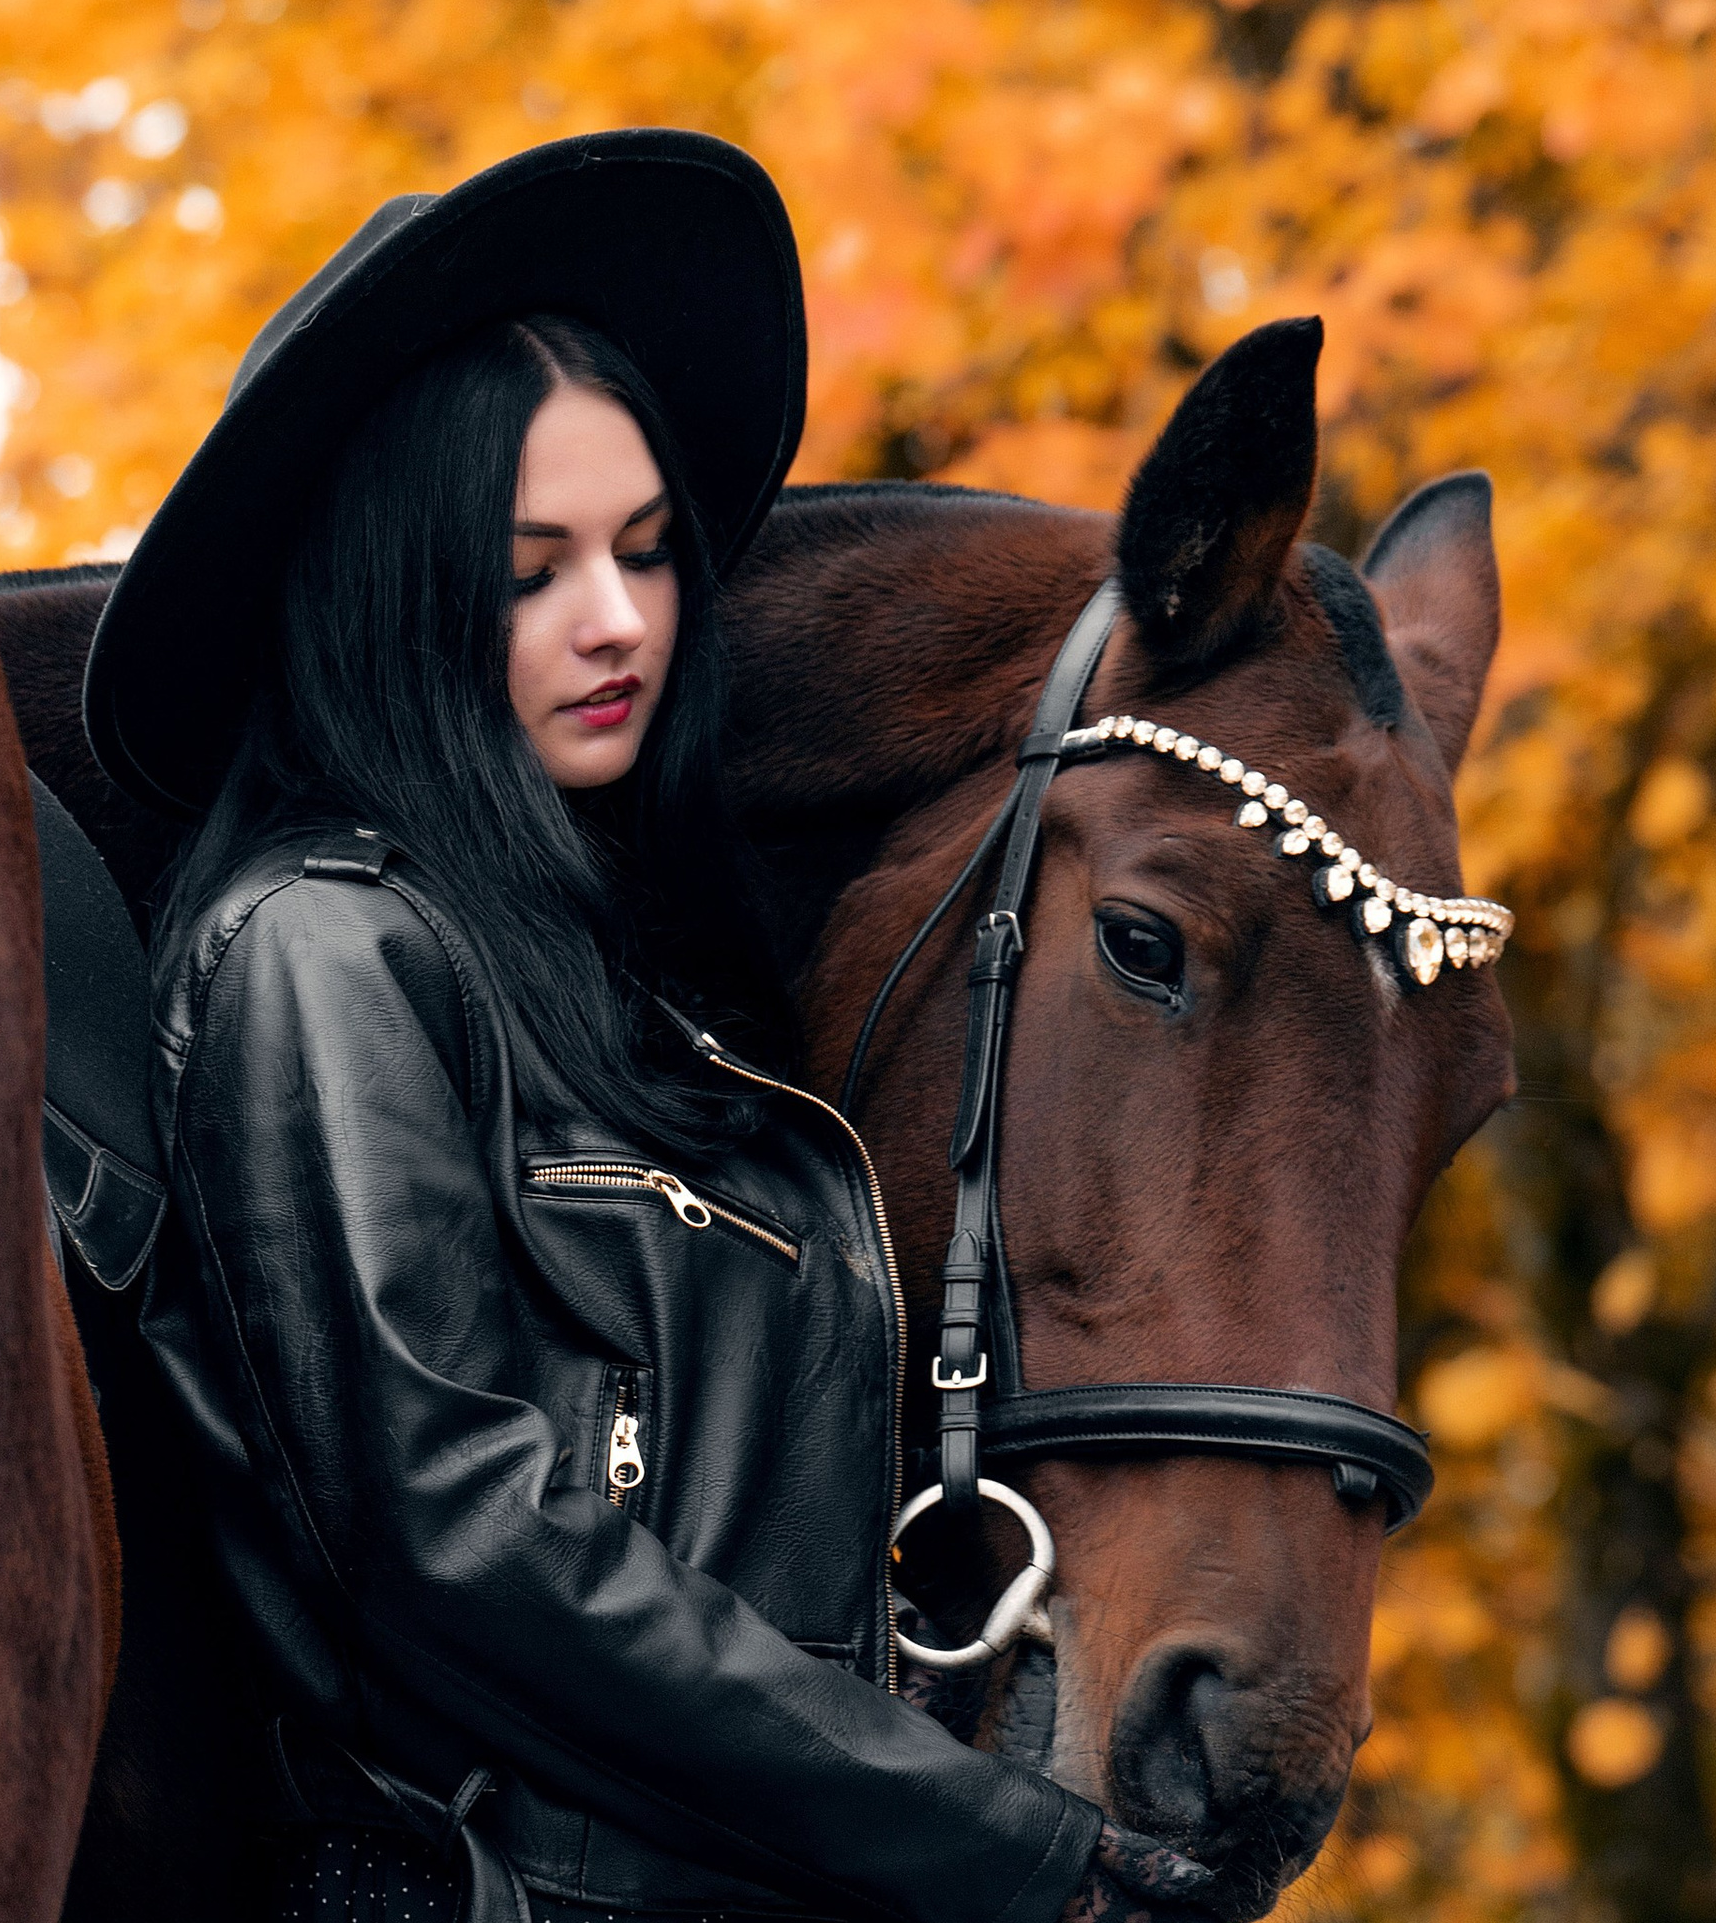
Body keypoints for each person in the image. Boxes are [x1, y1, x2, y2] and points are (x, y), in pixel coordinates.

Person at [80, 133, 1216, 1923]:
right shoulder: (320, 947)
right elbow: (452, 1529)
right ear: (393, 587)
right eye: (530, 570)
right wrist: (985, 1846)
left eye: (646, 551)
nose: (618, 623)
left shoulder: (645, 1002)